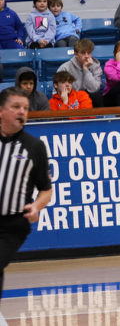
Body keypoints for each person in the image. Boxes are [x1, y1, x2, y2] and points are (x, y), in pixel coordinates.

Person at [0, 87, 52, 298]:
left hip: (12, 226)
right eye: (16, 107)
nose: (22, 111)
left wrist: (36, 206)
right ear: (1, 111)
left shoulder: (34, 147)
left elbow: (47, 191)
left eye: (25, 108)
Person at [58, 38, 104, 108]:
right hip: (72, 98)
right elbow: (58, 92)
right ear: (76, 54)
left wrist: (85, 69)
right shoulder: (65, 68)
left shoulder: (96, 67)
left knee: (96, 97)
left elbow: (94, 89)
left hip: (90, 97)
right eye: (83, 53)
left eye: (89, 53)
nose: (86, 56)